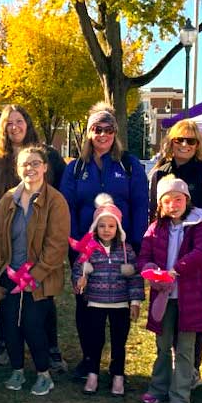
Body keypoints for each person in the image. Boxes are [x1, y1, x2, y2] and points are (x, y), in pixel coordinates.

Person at [0, 104, 67, 371]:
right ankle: (5, 343)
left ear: (28, 122)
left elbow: (60, 193)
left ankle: (50, 347)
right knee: (2, 294)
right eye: (9, 122)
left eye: (19, 120)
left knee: (42, 297)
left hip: (38, 240)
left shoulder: (48, 156)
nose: (14, 126)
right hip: (0, 238)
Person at [60, 104, 148, 379]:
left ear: (115, 133)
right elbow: (67, 206)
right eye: (97, 129)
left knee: (118, 306)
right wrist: (76, 245)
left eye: (108, 129)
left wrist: (134, 243)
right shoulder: (75, 168)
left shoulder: (129, 164)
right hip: (86, 248)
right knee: (86, 303)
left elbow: (141, 203)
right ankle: (89, 360)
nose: (103, 135)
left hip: (121, 246)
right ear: (88, 133)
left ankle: (117, 365)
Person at [0, 145, 70, 397]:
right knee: (10, 323)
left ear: (45, 167)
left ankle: (43, 374)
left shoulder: (56, 201)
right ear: (17, 168)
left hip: (39, 278)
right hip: (9, 275)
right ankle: (17, 369)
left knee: (33, 324)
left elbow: (56, 244)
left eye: (35, 163)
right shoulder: (7, 199)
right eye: (25, 164)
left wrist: (36, 275)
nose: (30, 168)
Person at [148, 119, 202, 382]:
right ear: (170, 142)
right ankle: (173, 369)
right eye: (179, 139)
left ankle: (191, 370)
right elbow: (153, 215)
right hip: (166, 256)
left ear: (198, 144)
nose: (184, 145)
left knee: (193, 317)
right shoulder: (160, 172)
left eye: (190, 140)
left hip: (197, 255)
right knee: (168, 315)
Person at [137, 176, 202, 403]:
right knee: (162, 344)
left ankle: (180, 397)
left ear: (186, 201)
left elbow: (201, 252)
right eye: (167, 201)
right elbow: (144, 254)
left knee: (185, 348)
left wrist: (177, 269)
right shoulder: (155, 228)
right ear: (160, 205)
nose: (173, 205)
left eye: (178, 199)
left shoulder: (199, 223)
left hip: (189, 297)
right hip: (163, 297)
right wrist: (150, 270)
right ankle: (158, 387)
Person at [70, 194, 143, 396]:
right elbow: (77, 271)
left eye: (111, 226)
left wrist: (135, 301)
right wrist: (80, 280)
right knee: (95, 340)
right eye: (102, 226)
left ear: (118, 229)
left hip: (120, 304)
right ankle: (93, 373)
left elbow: (135, 278)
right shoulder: (89, 250)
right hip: (96, 302)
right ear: (95, 228)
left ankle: (118, 375)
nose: (107, 230)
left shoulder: (127, 250)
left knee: (119, 341)